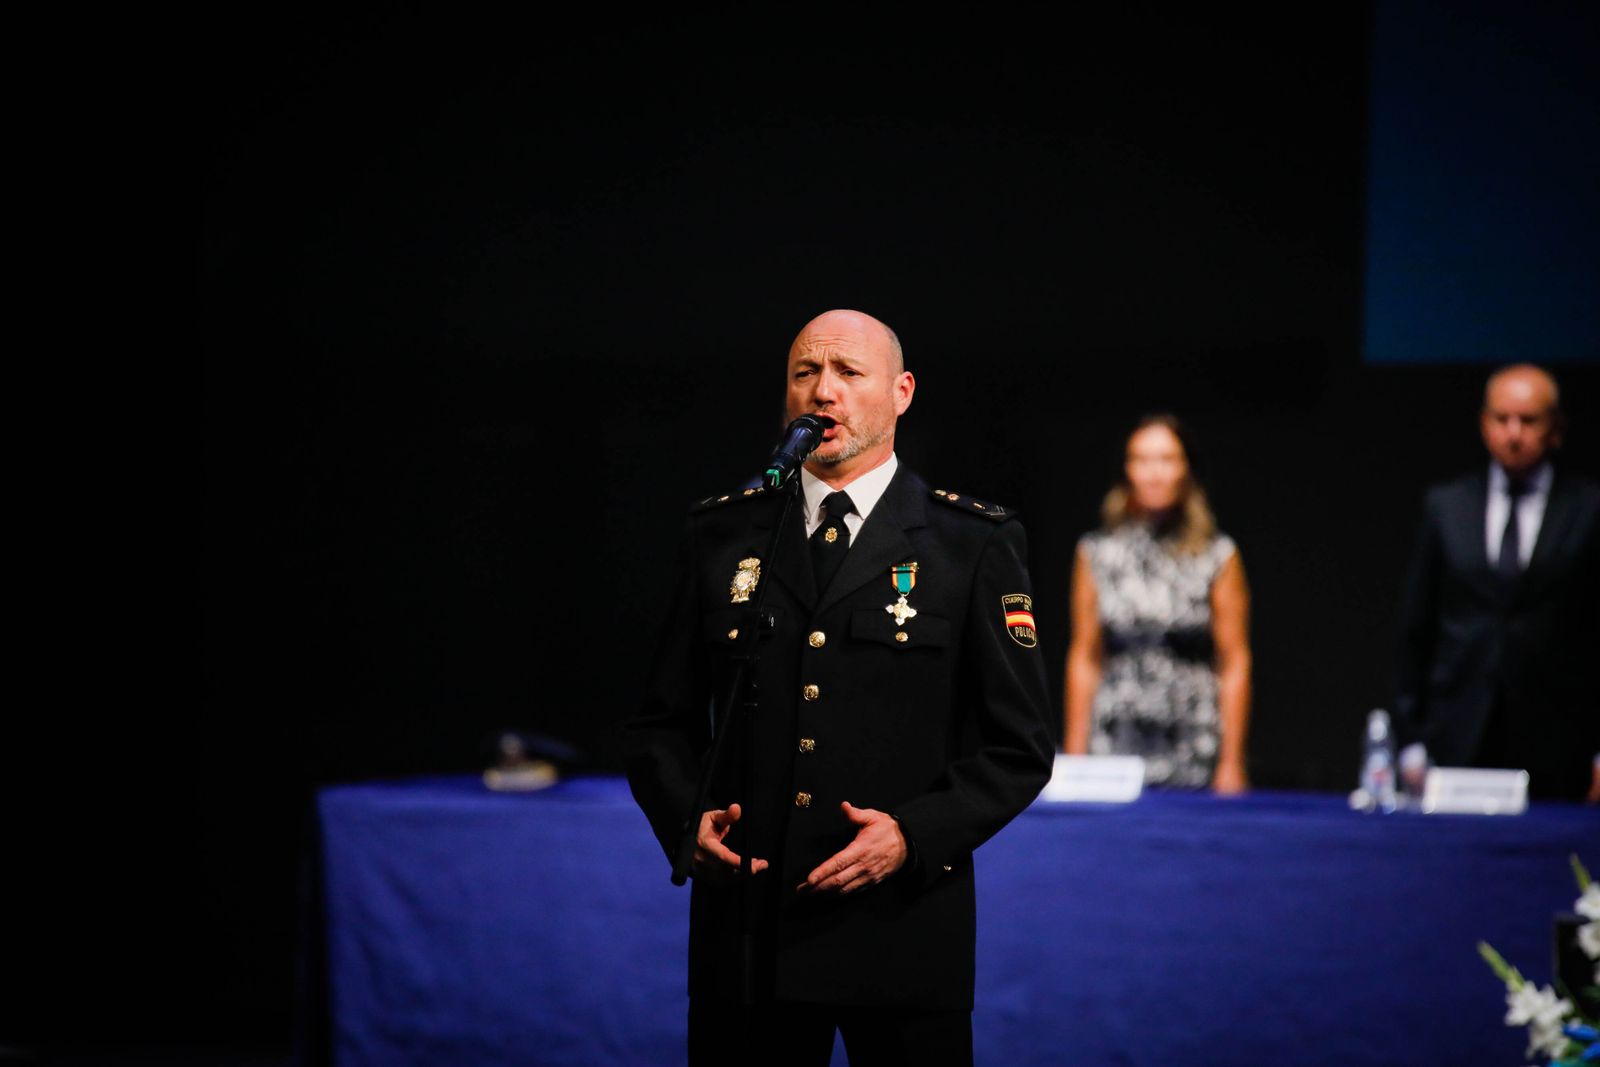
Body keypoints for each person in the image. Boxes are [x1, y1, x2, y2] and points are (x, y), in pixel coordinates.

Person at [624, 309, 1055, 1066]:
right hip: (748, 939)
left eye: (849, 373)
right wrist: (683, 815)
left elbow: (1018, 747)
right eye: (804, 373)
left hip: (901, 933)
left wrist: (913, 835)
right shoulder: (725, 534)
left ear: (901, 392)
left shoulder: (971, 543)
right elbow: (661, 719)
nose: (823, 392)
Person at [1395, 363, 1600, 803]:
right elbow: (1417, 626)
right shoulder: (1446, 506)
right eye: (1502, 419)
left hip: (1557, 737)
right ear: (1484, 424)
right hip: (1457, 727)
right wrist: (1410, 737)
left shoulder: (1587, 510)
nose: (1514, 434)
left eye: (1528, 421)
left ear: (1556, 429)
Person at [1061, 415, 1252, 792]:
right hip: (1116, 741)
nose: (1154, 473)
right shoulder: (1097, 552)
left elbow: (1234, 661)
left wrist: (1232, 762)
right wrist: (1074, 754)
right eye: (1142, 460)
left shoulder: (1218, 555)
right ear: (1126, 470)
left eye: (1167, 459)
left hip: (1193, 740)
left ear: (1187, 469)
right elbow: (1085, 656)